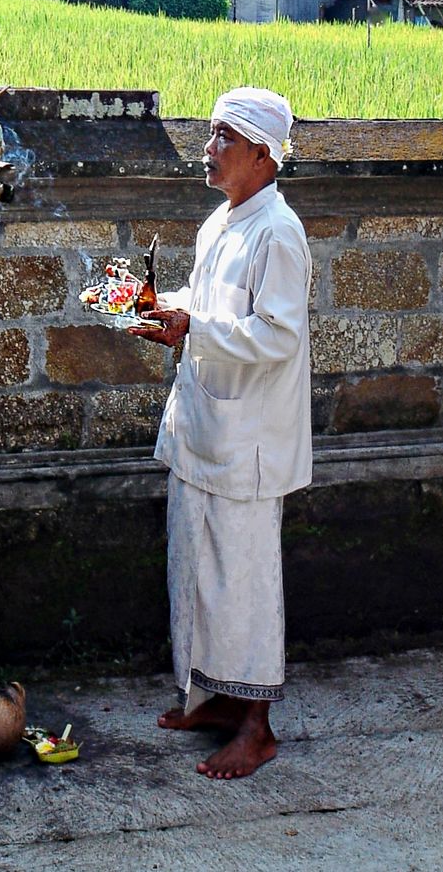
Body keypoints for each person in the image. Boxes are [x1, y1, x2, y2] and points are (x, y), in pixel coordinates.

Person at [128, 87, 312, 779]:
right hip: (203, 425)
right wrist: (160, 307)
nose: (207, 151)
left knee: (244, 583)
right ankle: (212, 698)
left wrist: (191, 326)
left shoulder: (277, 233)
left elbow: (277, 335)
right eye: (210, 136)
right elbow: (206, 309)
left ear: (262, 155)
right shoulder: (221, 222)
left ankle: (256, 727)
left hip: (248, 443)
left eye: (222, 139)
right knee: (196, 571)